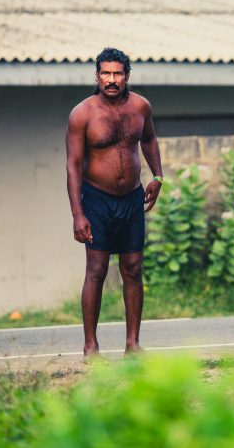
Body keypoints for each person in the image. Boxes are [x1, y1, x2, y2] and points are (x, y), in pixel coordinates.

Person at [65, 47, 163, 358]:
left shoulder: (140, 107)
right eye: (105, 73)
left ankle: (132, 344)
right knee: (96, 269)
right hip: (97, 199)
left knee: (133, 268)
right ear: (96, 76)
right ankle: (90, 345)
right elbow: (72, 165)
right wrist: (78, 214)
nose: (111, 79)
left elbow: (148, 140)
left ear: (127, 76)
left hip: (132, 198)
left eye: (117, 73)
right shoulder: (82, 113)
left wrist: (158, 177)